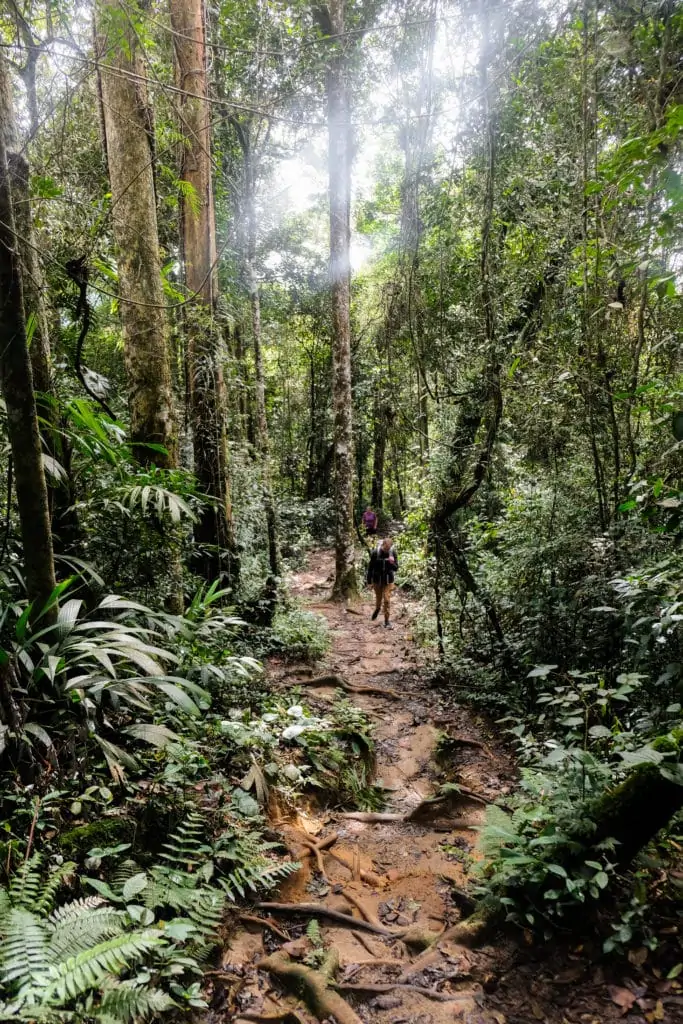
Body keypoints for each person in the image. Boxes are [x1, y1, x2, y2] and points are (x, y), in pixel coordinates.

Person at [366, 537, 399, 629]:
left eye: (388, 549)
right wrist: (369, 581)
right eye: (385, 549)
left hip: (388, 580)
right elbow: (370, 568)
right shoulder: (375, 553)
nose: (386, 551)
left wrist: (392, 563)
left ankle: (387, 621)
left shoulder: (392, 553)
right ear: (383, 545)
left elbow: (396, 568)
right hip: (377, 580)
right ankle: (377, 609)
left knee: (387, 600)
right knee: (379, 599)